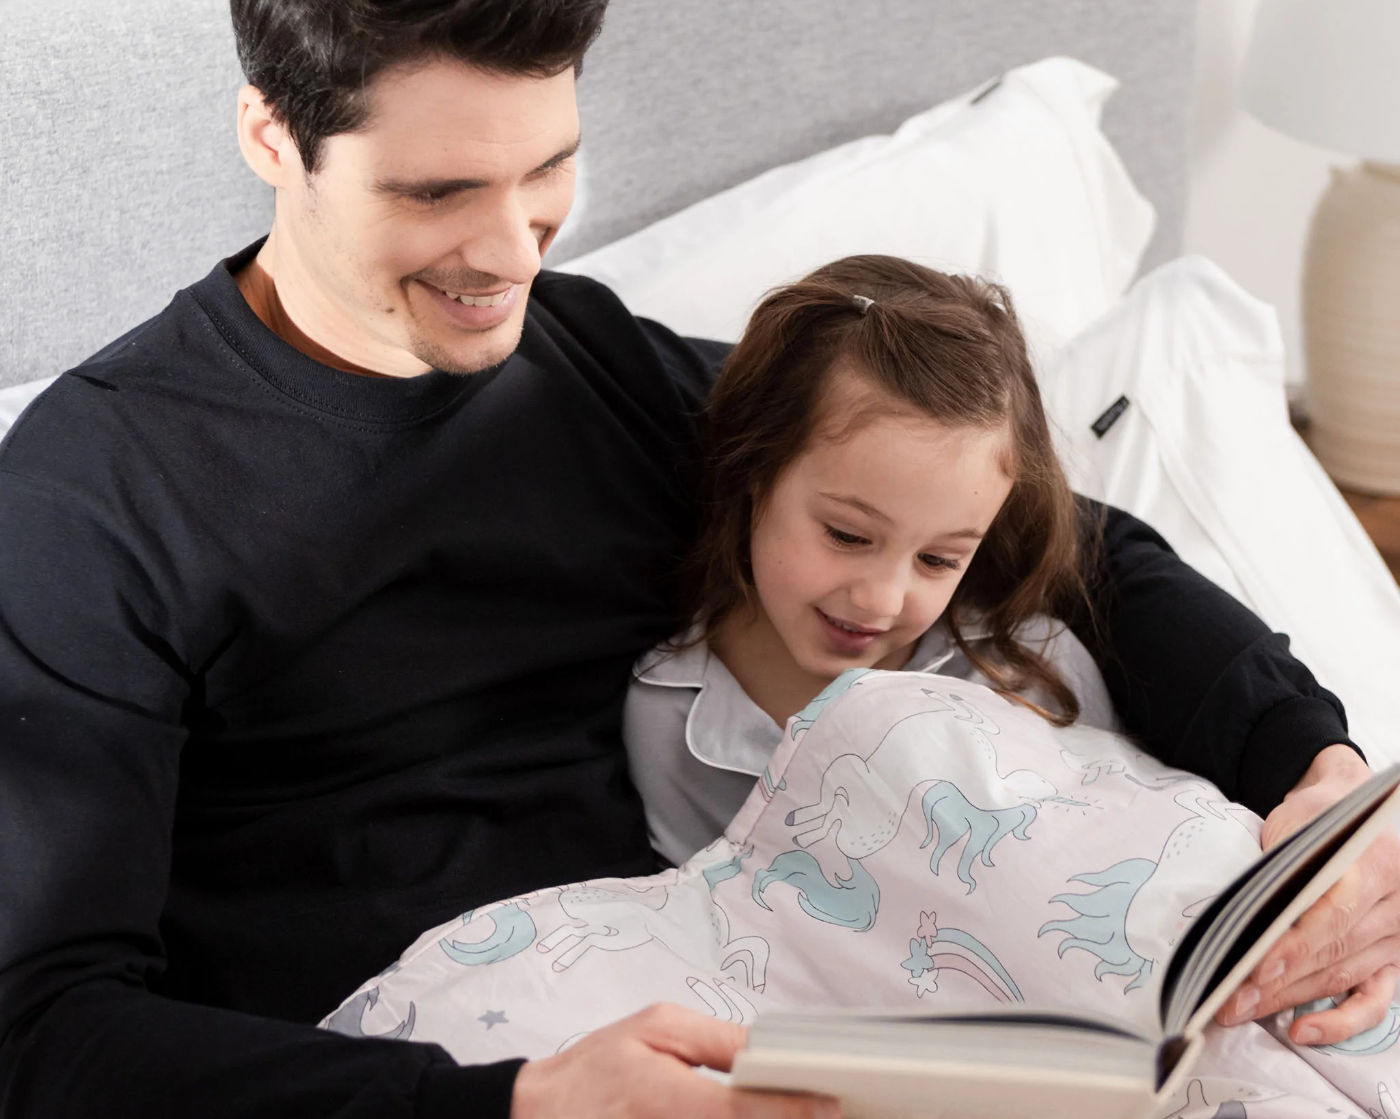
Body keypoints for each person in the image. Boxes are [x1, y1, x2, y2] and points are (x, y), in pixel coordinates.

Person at [0, 3, 1394, 1117]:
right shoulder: (93, 495)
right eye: (439, 191)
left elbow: (1066, 538)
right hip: (441, 1049)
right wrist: (515, 1103)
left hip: (746, 990)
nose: (507, 250)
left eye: (546, 171)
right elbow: (44, 1030)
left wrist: (1315, 772)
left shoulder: (581, 355)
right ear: (270, 133)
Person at [624, 255, 1119, 869]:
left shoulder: (1030, 671)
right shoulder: (675, 722)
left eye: (938, 559)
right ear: (753, 471)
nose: (882, 600)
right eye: (849, 536)